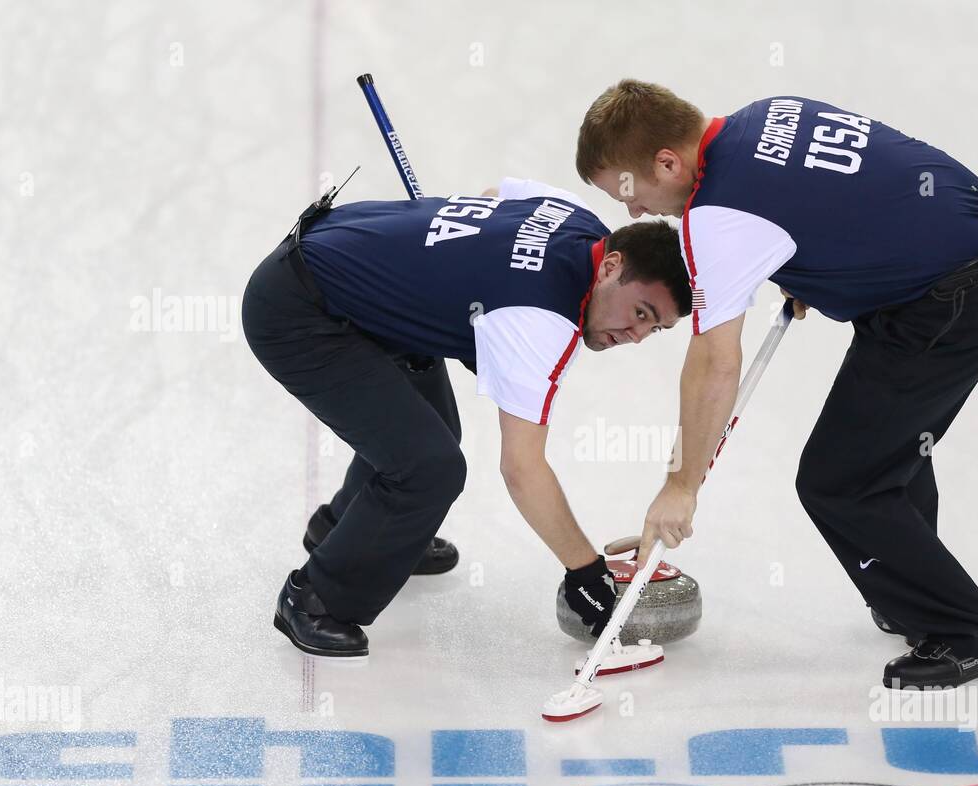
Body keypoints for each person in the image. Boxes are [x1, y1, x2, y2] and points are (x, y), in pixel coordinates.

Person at [576, 81, 978, 690]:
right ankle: (911, 598)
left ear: (667, 162)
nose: (633, 214)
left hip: (957, 292)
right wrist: (819, 261)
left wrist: (679, 485)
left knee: (841, 480)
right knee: (884, 452)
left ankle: (969, 636)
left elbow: (714, 360)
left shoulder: (716, 217)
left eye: (630, 193)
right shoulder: (767, 113)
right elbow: (841, 193)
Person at [242, 177, 691, 659]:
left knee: (433, 429)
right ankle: (314, 599)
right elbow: (522, 469)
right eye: (641, 312)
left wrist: (452, 287)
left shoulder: (572, 215)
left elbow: (493, 197)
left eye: (656, 328)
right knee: (428, 468)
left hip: (348, 267)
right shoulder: (542, 319)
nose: (637, 335)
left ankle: (341, 530)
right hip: (300, 312)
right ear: (612, 266)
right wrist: (585, 572)